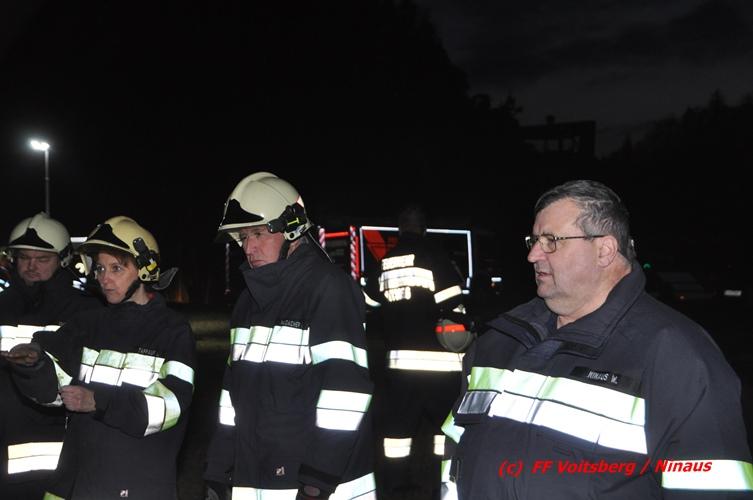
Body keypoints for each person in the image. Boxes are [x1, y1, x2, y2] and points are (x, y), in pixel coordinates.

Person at [441, 180, 753, 499]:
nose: (533, 255)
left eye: (551, 241)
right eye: (533, 240)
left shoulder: (676, 356)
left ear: (604, 250)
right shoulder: (500, 340)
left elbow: (712, 487)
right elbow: (455, 454)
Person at [204, 172, 375, 500]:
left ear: (293, 229)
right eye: (243, 237)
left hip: (316, 485)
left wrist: (317, 481)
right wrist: (218, 467)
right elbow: (231, 396)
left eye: (258, 233)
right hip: (255, 478)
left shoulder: (328, 290)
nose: (248, 247)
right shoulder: (247, 302)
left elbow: (346, 393)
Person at [2, 215, 196, 500]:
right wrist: (35, 365)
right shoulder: (88, 324)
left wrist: (97, 400)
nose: (104, 278)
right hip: (81, 482)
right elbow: (54, 392)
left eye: (116, 268)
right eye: (101, 268)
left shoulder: (171, 330)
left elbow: (169, 407)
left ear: (145, 270)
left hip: (140, 484)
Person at [365, 204, 472, 497]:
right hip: (441, 367)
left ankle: (395, 487)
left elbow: (369, 303)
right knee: (444, 431)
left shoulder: (385, 262)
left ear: (400, 229)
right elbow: (454, 305)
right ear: (424, 229)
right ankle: (443, 485)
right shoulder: (435, 257)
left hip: (399, 368)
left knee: (397, 435)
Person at [0, 212, 102, 500]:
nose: (31, 266)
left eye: (42, 259)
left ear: (64, 259)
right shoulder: (2, 305)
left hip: (55, 445)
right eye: (24, 258)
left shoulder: (84, 311)